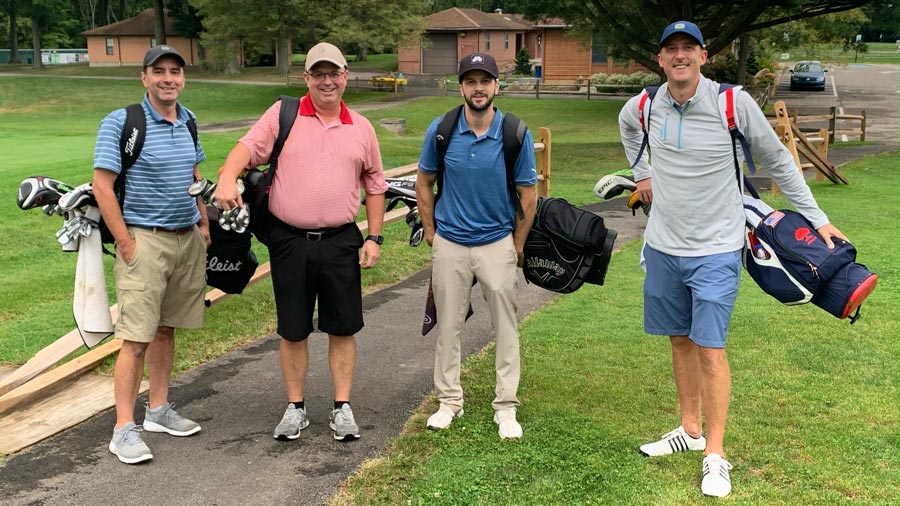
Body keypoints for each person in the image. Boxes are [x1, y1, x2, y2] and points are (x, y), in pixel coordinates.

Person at [619, 21, 847, 497]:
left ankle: (715, 454)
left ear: (704, 56)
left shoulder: (732, 103)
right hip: (662, 247)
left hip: (717, 249)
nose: (679, 56)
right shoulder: (644, 106)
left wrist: (818, 218)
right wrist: (642, 175)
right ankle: (689, 429)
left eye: (688, 48)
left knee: (710, 348)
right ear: (660, 59)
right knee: (679, 339)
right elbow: (627, 128)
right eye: (670, 49)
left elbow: (779, 161)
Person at [213, 42, 386, 442]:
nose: (327, 81)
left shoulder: (361, 127)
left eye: (334, 73)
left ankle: (342, 407)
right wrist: (226, 177)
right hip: (290, 241)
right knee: (293, 329)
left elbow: (375, 183)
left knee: (343, 327)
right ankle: (295, 407)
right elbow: (245, 148)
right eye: (318, 74)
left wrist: (374, 236)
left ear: (345, 76)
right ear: (306, 78)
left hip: (341, 241)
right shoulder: (283, 114)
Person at [93, 45, 210, 465]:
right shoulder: (123, 122)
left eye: (175, 71)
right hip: (144, 239)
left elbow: (194, 175)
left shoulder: (189, 120)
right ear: (144, 77)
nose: (168, 79)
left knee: (165, 330)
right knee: (136, 339)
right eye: (158, 71)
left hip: (185, 237)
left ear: (183, 78)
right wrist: (125, 242)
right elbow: (102, 186)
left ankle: (158, 410)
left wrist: (203, 222)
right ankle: (123, 429)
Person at [415, 52, 538, 440]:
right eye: (471, 81)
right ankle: (449, 401)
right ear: (462, 87)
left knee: (506, 327)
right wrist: (431, 231)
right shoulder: (442, 129)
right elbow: (424, 182)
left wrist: (517, 244)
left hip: (496, 242)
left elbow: (528, 194)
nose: (478, 88)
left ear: (497, 86)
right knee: (448, 326)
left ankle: (506, 406)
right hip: (450, 242)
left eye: (485, 81)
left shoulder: (514, 133)